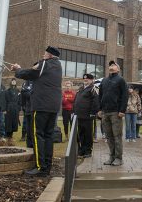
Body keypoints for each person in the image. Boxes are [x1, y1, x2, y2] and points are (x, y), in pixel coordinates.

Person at [12, 46, 62, 177]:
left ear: (49, 55)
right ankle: (47, 166)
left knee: (37, 134)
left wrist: (17, 69)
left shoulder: (44, 63)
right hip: (53, 106)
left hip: (41, 106)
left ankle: (40, 167)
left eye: (45, 53)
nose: (43, 55)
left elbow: (29, 73)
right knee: (48, 136)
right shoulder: (58, 65)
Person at [98, 60, 128, 166]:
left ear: (118, 69)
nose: (111, 66)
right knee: (109, 136)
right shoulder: (104, 81)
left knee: (117, 136)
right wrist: (99, 109)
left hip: (116, 113)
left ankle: (119, 158)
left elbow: (125, 96)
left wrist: (122, 110)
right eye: (110, 65)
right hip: (105, 112)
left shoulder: (121, 80)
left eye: (114, 65)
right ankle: (112, 156)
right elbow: (100, 95)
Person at [73, 73, 100, 158]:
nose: (85, 80)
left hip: (88, 116)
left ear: (92, 80)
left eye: (87, 79)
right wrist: (74, 111)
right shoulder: (81, 88)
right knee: (80, 134)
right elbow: (76, 100)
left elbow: (96, 101)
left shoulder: (93, 88)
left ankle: (88, 151)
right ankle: (81, 150)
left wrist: (92, 113)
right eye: (84, 79)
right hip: (79, 115)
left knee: (88, 134)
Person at [20, 79, 34, 148]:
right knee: (28, 129)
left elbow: (33, 94)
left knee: (34, 130)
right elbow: (24, 93)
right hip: (28, 110)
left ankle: (34, 146)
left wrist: (30, 92)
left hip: (35, 110)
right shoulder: (26, 83)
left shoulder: (37, 81)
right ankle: (29, 146)